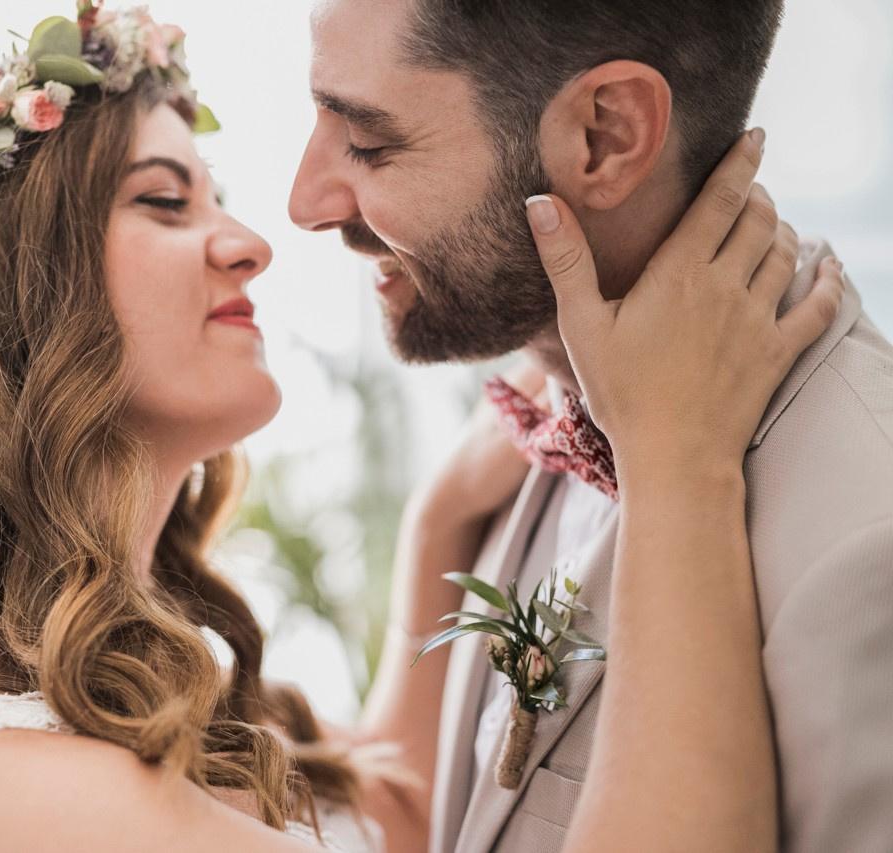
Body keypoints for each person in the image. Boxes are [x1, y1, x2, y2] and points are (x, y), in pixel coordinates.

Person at [0, 4, 845, 852]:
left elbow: (389, 819)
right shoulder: (9, 795)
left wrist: (434, 531)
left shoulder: (52, 662)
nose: (253, 238)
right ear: (6, 298)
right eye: (163, 202)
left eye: (213, 196)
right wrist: (678, 463)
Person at [289, 1, 893, 851]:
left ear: (605, 136)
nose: (302, 202)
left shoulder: (864, 551)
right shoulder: (525, 418)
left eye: (370, 141)